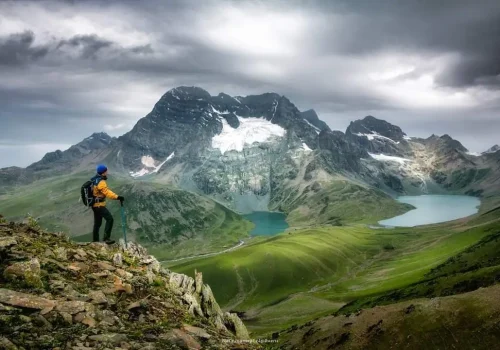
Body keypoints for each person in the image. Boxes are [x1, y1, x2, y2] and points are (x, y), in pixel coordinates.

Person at [91, 164, 124, 244]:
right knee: (110, 219)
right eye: (106, 171)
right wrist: (117, 197)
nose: (107, 173)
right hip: (99, 205)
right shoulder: (101, 182)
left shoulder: (94, 179)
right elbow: (107, 192)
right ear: (103, 172)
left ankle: (95, 240)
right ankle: (106, 238)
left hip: (94, 205)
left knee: (97, 223)